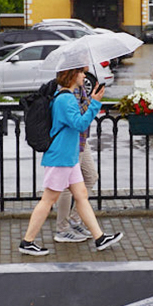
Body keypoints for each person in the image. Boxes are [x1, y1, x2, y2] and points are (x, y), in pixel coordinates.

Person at [19, 67, 124, 256]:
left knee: (81, 195)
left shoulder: (65, 96)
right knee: (48, 200)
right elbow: (80, 124)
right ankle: (27, 242)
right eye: (82, 72)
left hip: (69, 156)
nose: (85, 76)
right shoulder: (66, 99)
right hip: (61, 157)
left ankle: (99, 237)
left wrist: (91, 100)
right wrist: (95, 104)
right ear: (72, 75)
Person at [53, 84, 97, 243]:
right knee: (66, 186)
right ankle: (62, 229)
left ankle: (74, 219)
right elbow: (77, 118)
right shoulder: (70, 89)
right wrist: (94, 100)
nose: (85, 76)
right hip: (73, 141)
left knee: (91, 176)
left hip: (82, 140)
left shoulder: (80, 86)